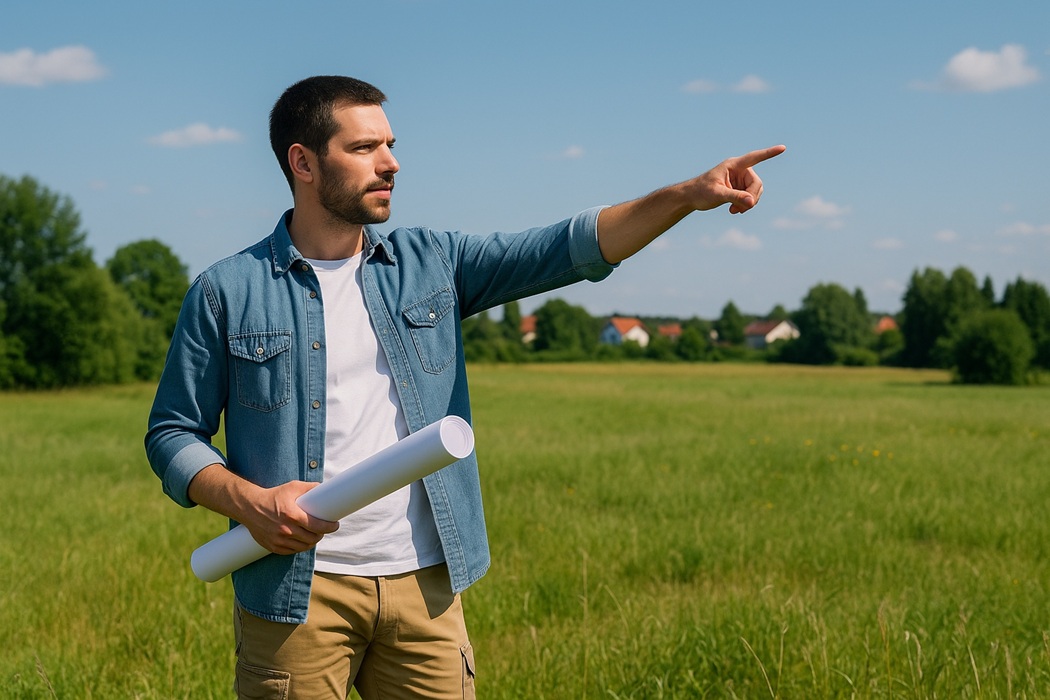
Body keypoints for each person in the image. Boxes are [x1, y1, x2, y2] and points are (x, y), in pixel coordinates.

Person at [145, 75, 785, 699]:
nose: (390, 163)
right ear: (303, 162)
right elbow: (173, 434)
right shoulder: (227, 291)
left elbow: (568, 248)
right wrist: (250, 502)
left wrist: (684, 196)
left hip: (426, 586)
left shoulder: (433, 264)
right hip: (295, 595)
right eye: (365, 148)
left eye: (391, 145)